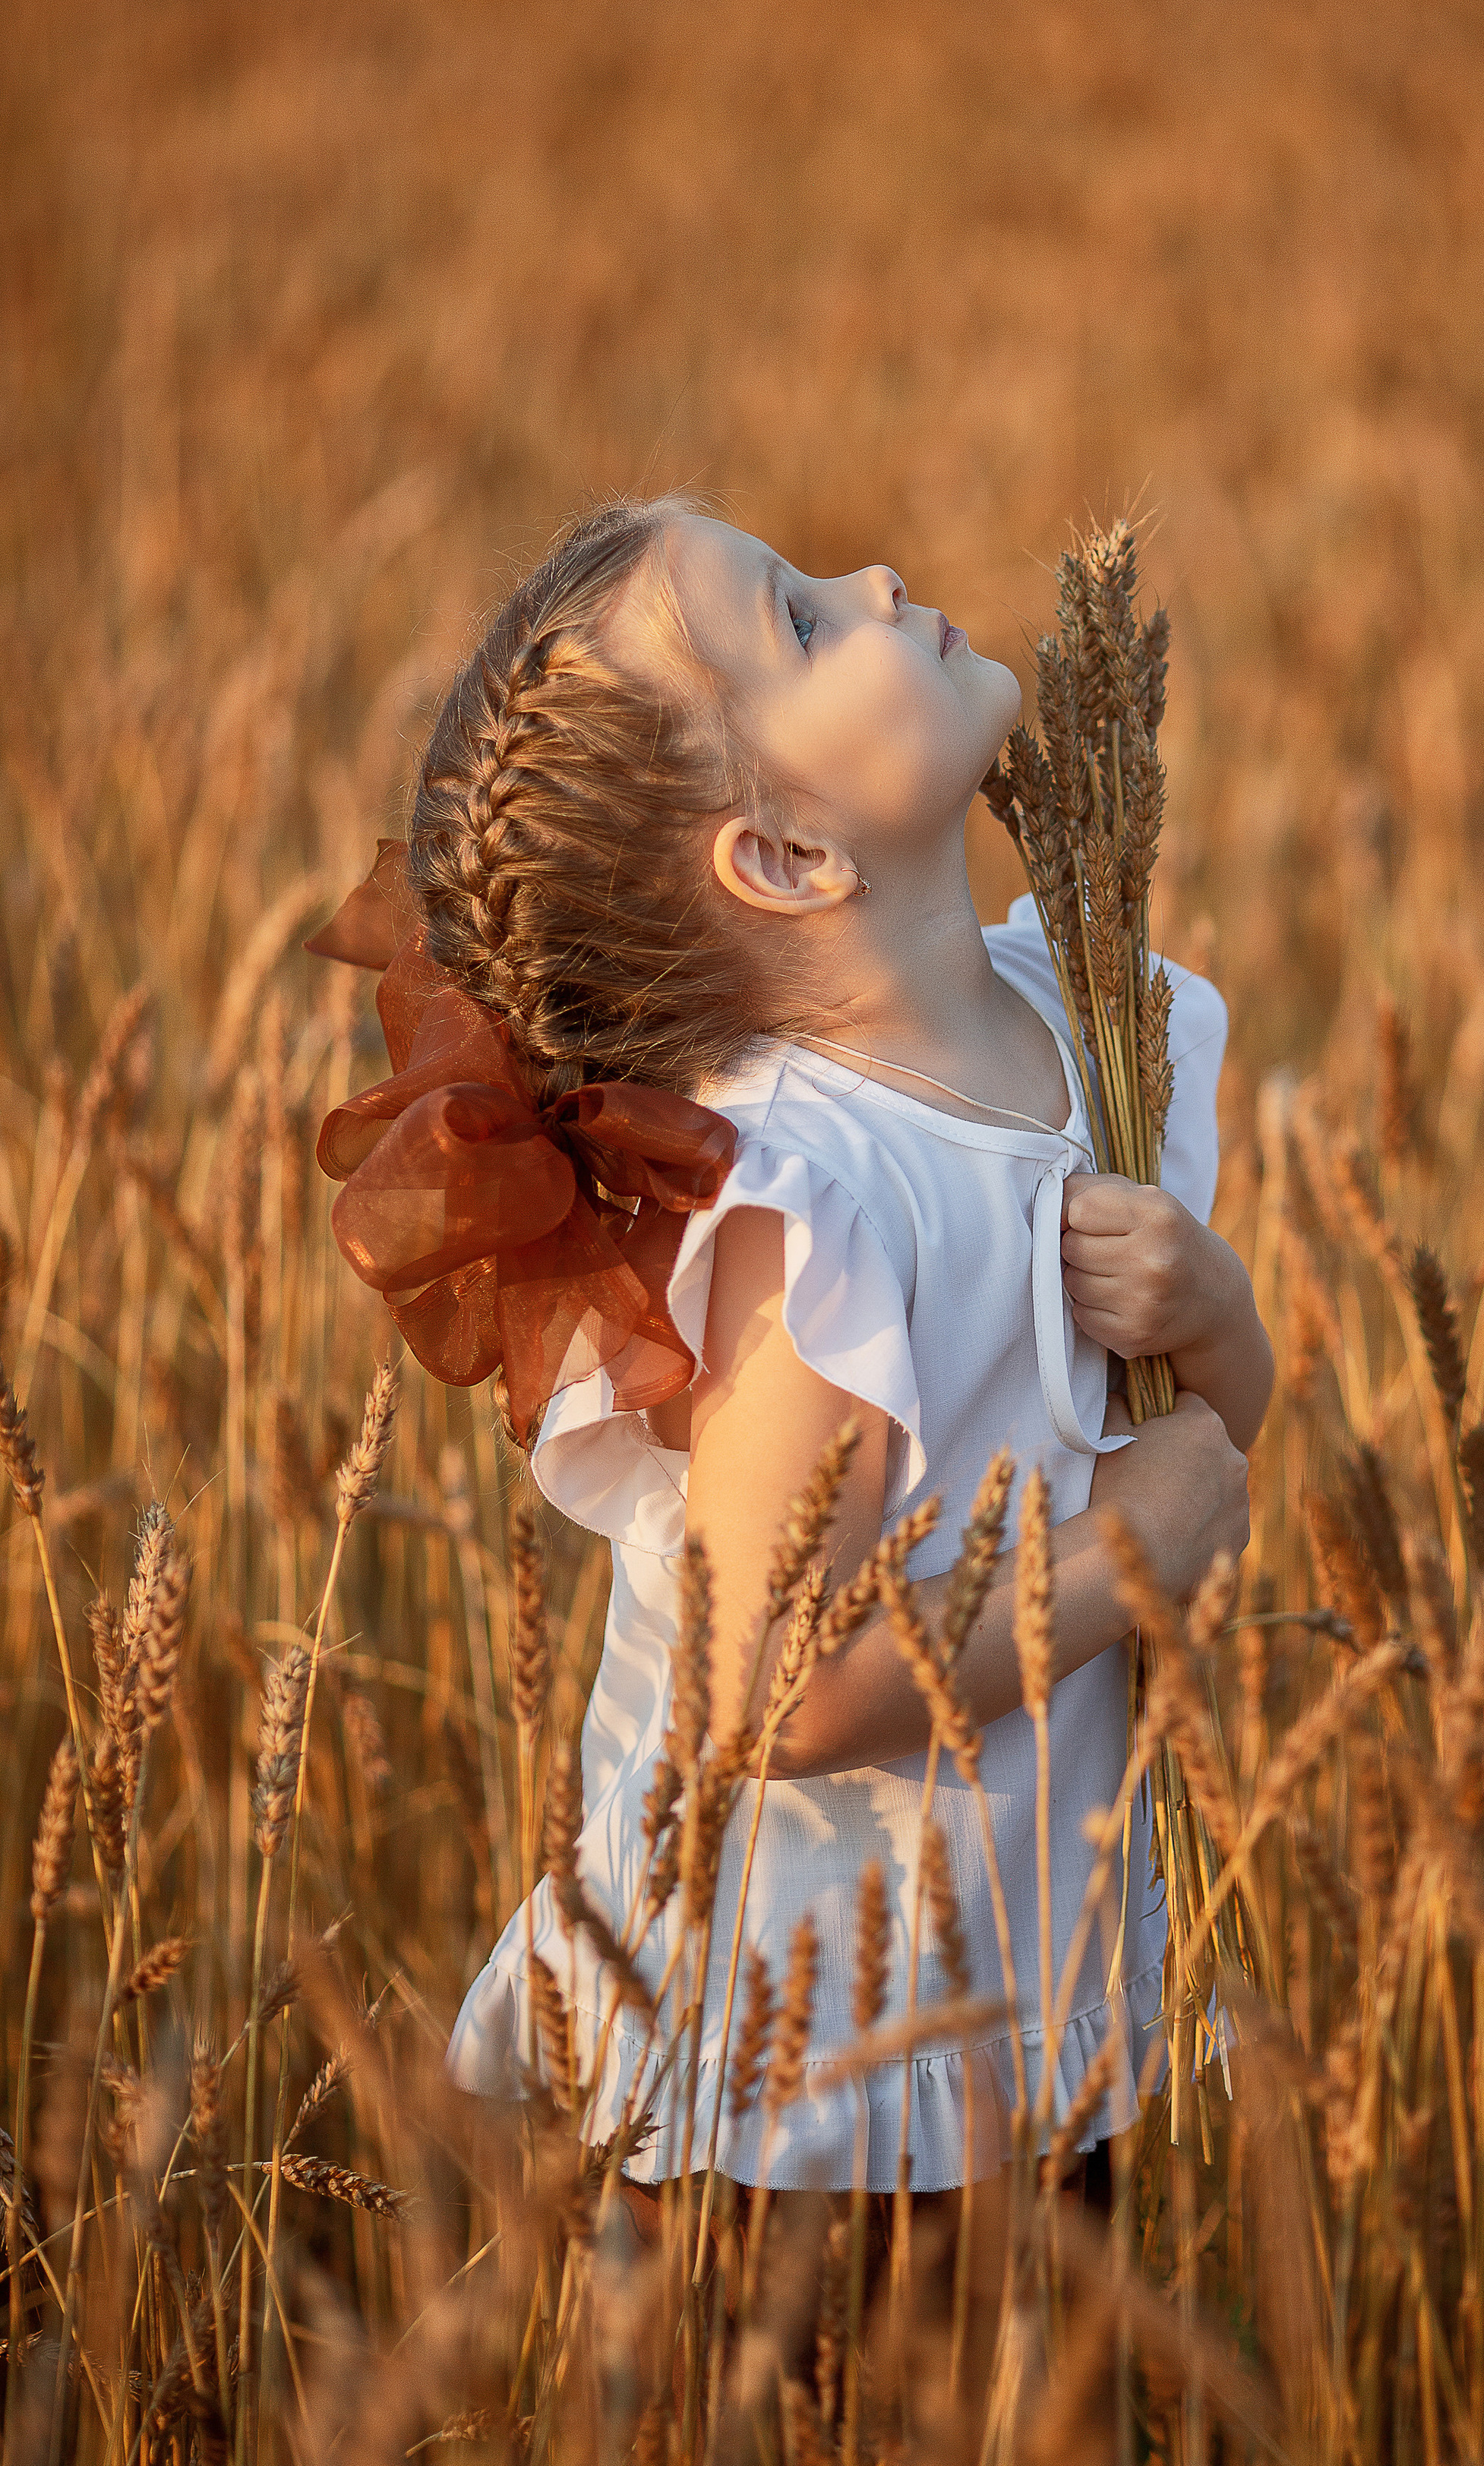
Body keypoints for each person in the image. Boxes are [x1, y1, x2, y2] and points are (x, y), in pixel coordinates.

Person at [322, 494, 1269, 2199]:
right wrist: (1129, 1556)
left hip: (1030, 1987)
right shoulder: (808, 1200)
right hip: (813, 2074)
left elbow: (1201, 1444)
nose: (876, 574)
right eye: (805, 622)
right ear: (784, 857)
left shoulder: (1092, 1027)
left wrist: (1216, 1320)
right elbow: (769, 1686)